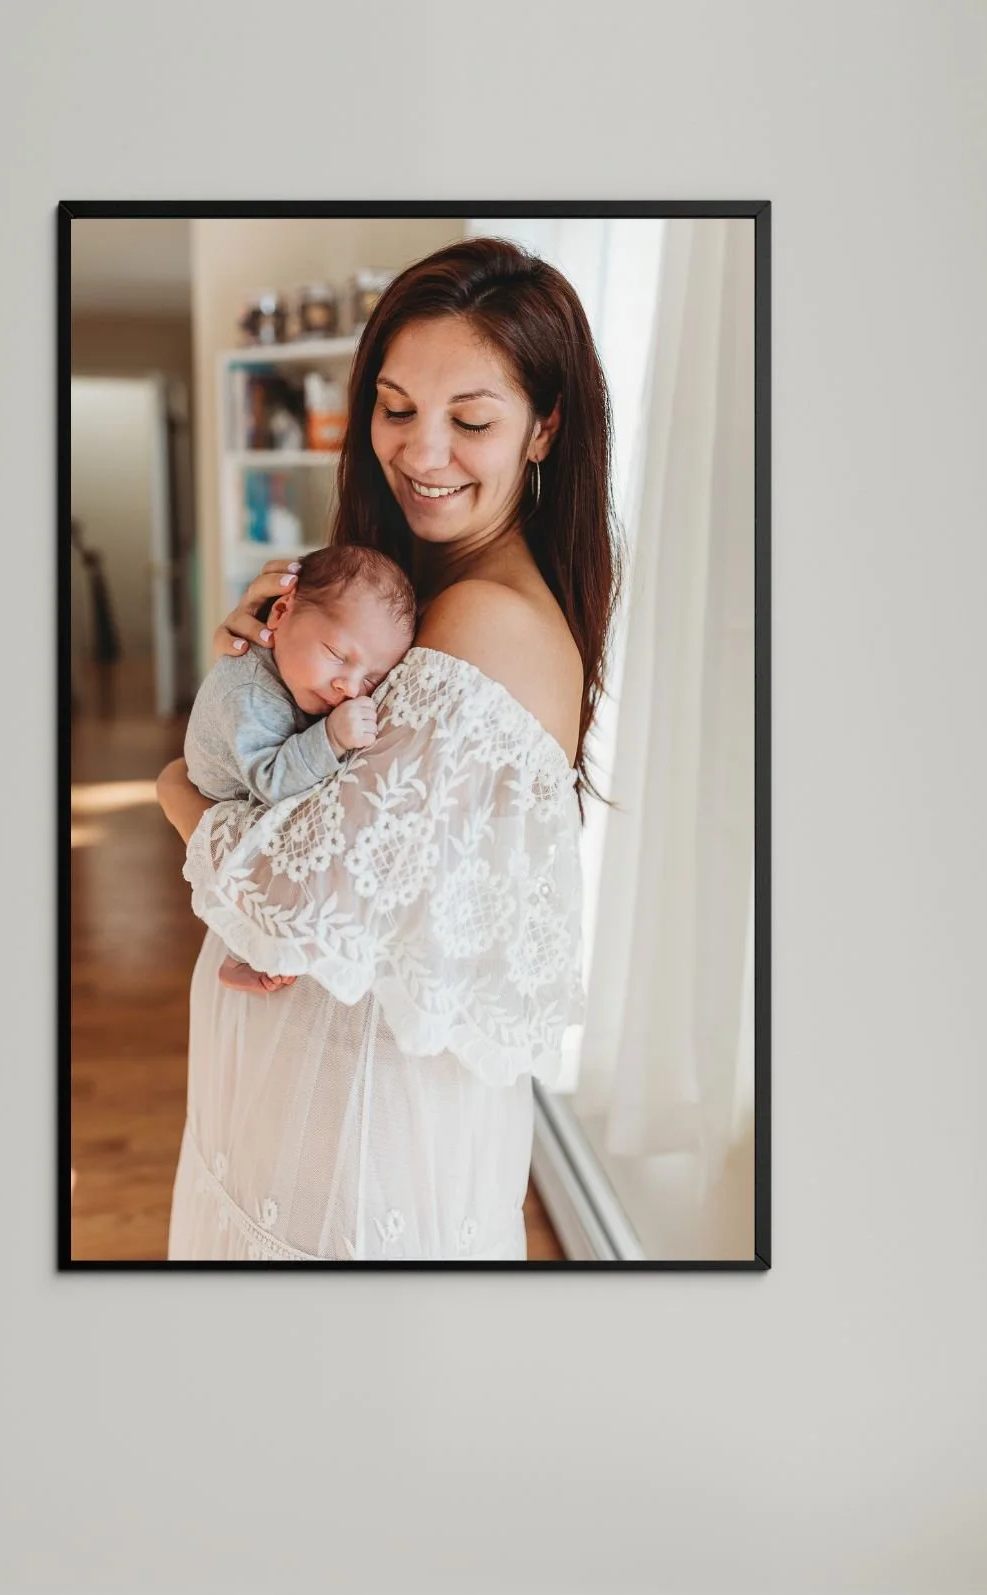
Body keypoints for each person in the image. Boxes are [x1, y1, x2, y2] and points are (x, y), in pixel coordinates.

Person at [156, 236, 619, 1260]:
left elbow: (291, 892)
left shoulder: (487, 624)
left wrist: (173, 788)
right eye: (397, 406)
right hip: (300, 1115)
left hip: (358, 1153)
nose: (420, 451)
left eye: (472, 419)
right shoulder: (419, 599)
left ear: (544, 429)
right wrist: (253, 682)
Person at [183, 544, 415, 993]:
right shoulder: (249, 693)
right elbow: (271, 781)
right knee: (247, 871)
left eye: (371, 679)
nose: (349, 685)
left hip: (257, 777)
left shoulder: (298, 672)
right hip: (229, 795)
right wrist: (330, 736)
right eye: (336, 653)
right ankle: (240, 957)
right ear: (281, 613)